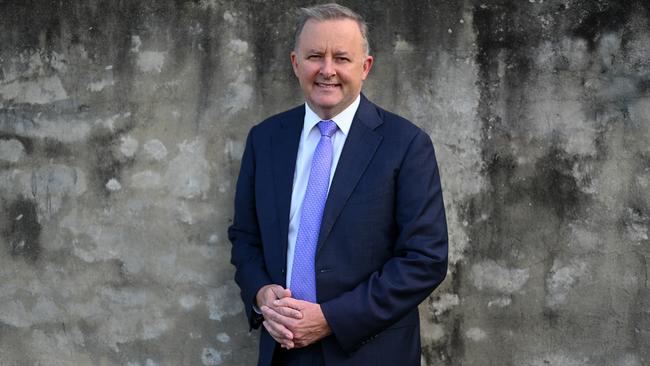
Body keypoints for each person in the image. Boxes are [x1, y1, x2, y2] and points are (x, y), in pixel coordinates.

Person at [228, 3, 448, 365]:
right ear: (296, 63)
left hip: (369, 352)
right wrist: (261, 294)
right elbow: (245, 236)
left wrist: (331, 319)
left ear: (365, 67)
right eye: (315, 55)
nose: (327, 70)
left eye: (341, 58)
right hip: (282, 351)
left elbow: (424, 259)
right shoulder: (265, 139)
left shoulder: (406, 144)